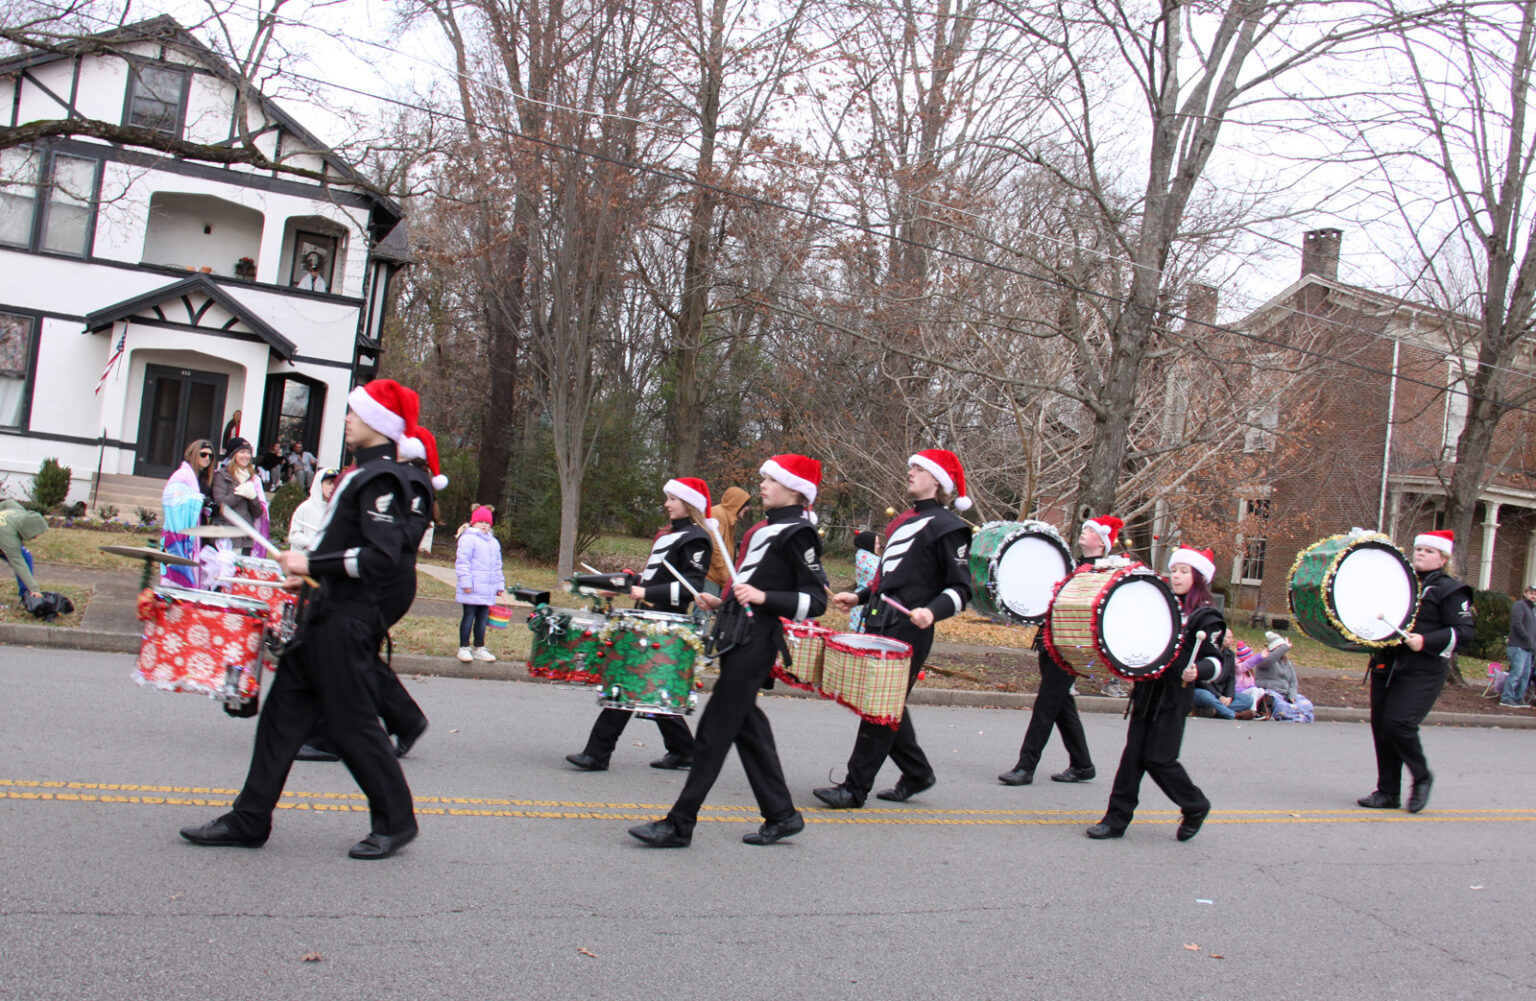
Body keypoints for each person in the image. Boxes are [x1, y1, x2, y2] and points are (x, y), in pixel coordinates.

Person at [179, 379, 426, 860]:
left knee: (353, 726)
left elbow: (380, 558)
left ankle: (397, 820)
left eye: (356, 413)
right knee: (280, 720)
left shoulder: (382, 479)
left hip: (345, 624)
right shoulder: (361, 474)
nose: (347, 420)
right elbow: (344, 550)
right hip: (323, 613)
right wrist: (311, 577)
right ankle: (250, 818)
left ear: (378, 421)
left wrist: (312, 566)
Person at [628, 455, 826, 848]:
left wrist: (763, 596)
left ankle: (679, 823)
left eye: (770, 479)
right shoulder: (762, 529)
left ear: (793, 488)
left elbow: (815, 600)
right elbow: (748, 587)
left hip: (758, 643)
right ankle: (782, 814)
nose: (763, 485)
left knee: (714, 731)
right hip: (735, 636)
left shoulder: (799, 533)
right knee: (749, 729)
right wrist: (722, 602)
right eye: (764, 478)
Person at [817, 449, 974, 809]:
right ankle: (917, 773)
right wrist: (857, 598)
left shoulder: (950, 527)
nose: (910, 472)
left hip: (910, 628)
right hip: (879, 620)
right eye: (911, 466)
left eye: (918, 468)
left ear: (937, 480)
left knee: (880, 704)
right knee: (883, 702)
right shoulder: (904, 522)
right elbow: (892, 579)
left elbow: (962, 588)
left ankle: (855, 788)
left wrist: (931, 612)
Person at [566, 478, 710, 772]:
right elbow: (651, 578)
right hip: (648, 618)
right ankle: (684, 751)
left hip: (668, 622)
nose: (667, 504)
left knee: (628, 682)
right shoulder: (667, 535)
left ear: (690, 504)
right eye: (667, 498)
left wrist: (646, 593)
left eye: (673, 499)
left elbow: (691, 587)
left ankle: (597, 754)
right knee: (649, 685)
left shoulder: (696, 538)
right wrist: (616, 587)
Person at [1087, 546, 1225, 841]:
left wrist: (1199, 670)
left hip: (1175, 695)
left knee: (1159, 759)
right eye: (1174, 570)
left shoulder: (1207, 616)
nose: (1176, 576)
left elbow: (1217, 661)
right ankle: (1116, 820)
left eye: (1184, 572)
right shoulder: (1161, 605)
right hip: (1148, 690)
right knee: (1133, 757)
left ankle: (1195, 805)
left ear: (1199, 577)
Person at [1357, 530, 1474, 814]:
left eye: (1428, 551)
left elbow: (1465, 632)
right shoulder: (1400, 581)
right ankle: (1387, 792)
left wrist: (1426, 640)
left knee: (1399, 723)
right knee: (1382, 727)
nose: (1420, 553)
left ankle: (1422, 777)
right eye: (1418, 548)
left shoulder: (1451, 590)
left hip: (1424, 669)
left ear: (1443, 559)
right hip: (1388, 663)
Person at [998, 515, 1116, 786]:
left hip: (1071, 648)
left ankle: (1026, 766)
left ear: (1102, 541)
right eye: (1083, 528)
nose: (1083, 532)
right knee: (1062, 704)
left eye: (1090, 530)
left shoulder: (1103, 572)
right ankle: (1082, 764)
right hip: (1051, 640)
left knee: (1046, 704)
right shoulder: (1073, 565)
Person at [455, 506, 507, 663]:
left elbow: (498, 565)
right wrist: (466, 583)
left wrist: (499, 585)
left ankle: (479, 647)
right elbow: (462, 563)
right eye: (480, 522)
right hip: (472, 588)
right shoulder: (468, 539)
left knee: (483, 619)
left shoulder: (494, 543)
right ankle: (464, 647)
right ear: (473, 522)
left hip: (488, 589)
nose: (484, 525)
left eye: (487, 522)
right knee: (468, 617)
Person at [161, 439, 215, 589]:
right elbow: (170, 498)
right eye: (203, 454)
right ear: (193, 453)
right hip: (181, 533)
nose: (207, 459)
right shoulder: (182, 475)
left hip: (200, 530)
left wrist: (209, 507)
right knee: (180, 571)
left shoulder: (204, 478)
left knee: (197, 570)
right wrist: (199, 500)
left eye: (210, 456)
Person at [211, 438, 268, 555]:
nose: (246, 456)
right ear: (233, 455)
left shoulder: (253, 479)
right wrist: (240, 494)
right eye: (242, 452)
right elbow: (220, 504)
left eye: (248, 453)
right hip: (225, 536)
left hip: (245, 539)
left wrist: (253, 497)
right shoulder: (221, 475)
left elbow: (257, 513)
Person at [705, 486, 750, 597]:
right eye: (745, 505)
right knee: (702, 614)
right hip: (712, 577)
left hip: (719, 577)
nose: (747, 508)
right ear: (737, 503)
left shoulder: (728, 519)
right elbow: (714, 547)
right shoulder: (717, 514)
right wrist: (724, 574)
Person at [0, 499, 48, 599]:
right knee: (20, 560)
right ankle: (32, 591)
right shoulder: (9, 538)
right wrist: (35, 588)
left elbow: (8, 502)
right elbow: (18, 563)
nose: (35, 538)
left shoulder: (19, 510)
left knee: (26, 557)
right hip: (3, 535)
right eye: (34, 535)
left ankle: (26, 594)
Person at [286, 468, 338, 553]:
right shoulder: (305, 507)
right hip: (304, 560)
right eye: (329, 483)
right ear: (319, 484)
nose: (332, 487)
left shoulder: (336, 509)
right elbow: (293, 535)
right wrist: (311, 543)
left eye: (335, 483)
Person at [1501, 584, 1535, 707]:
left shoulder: (1531, 609)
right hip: (1518, 646)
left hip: (1528, 649)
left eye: (1535, 594)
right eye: (1531, 593)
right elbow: (1517, 624)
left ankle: (1518, 698)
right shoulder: (1520, 605)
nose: (1533, 596)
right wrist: (1527, 637)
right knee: (1516, 673)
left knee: (1525, 676)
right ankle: (1506, 698)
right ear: (1525, 593)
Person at [1254, 631, 1301, 708]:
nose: (1282, 650)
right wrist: (1285, 647)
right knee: (1278, 703)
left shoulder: (1287, 662)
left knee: (1305, 704)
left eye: (1282, 648)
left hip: (1284, 694)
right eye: (1280, 648)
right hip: (1270, 693)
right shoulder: (1264, 659)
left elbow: (1293, 683)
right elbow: (1270, 659)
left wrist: (1291, 696)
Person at [847, 530, 879, 633]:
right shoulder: (866, 559)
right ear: (869, 544)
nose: (879, 546)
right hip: (865, 603)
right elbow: (879, 576)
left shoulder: (868, 557)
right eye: (876, 543)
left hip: (866, 602)